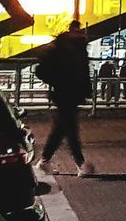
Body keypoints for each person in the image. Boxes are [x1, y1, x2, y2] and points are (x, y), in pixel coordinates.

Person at [34, 21, 95, 176]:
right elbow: (81, 71)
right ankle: (80, 163)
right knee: (69, 128)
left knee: (62, 128)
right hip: (67, 92)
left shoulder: (71, 46)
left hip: (66, 92)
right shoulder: (69, 48)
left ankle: (45, 161)